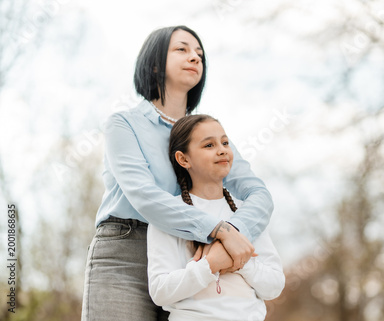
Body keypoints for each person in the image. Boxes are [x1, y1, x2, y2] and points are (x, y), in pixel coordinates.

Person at [81, 26, 274, 321]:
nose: (195, 57)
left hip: (192, 254)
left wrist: (232, 234)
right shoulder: (124, 124)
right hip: (128, 250)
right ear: (155, 63)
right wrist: (218, 230)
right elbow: (144, 195)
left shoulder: (210, 136)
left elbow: (258, 194)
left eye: (199, 53)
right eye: (182, 49)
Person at [148, 114, 285, 321]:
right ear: (183, 159)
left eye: (225, 142)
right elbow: (160, 291)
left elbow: (274, 285)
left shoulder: (247, 214)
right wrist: (210, 265)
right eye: (209, 145)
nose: (222, 149)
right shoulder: (170, 214)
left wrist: (239, 260)